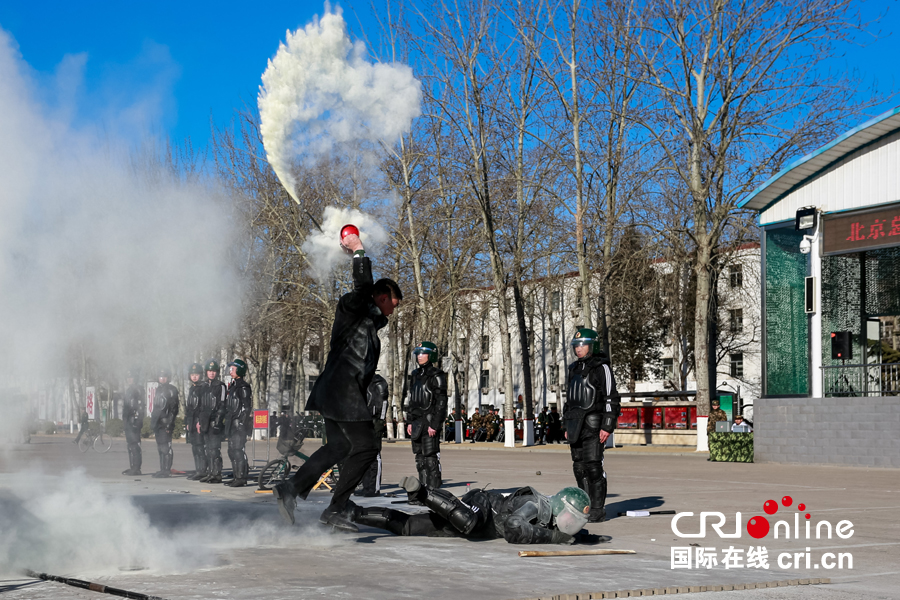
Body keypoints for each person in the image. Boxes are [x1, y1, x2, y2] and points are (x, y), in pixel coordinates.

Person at [273, 231, 402, 532]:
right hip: (341, 390)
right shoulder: (353, 305)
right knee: (367, 447)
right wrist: (358, 252)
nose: (392, 311)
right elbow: (364, 286)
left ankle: (291, 489)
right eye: (392, 304)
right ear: (382, 297)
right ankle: (336, 508)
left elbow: (374, 317)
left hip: (338, 390)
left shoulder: (368, 321)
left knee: (339, 447)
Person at [349, 475, 602, 545]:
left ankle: (350, 513)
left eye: (576, 521)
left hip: (477, 528)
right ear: (559, 506)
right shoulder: (535, 504)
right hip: (483, 507)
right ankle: (422, 493)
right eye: (572, 517)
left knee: (407, 527)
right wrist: (555, 539)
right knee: (468, 521)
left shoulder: (554, 520)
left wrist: (580, 536)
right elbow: (514, 529)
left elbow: (564, 531)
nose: (571, 523)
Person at [563, 328, 621, 523]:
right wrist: (566, 425)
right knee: (578, 467)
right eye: (576, 346)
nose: (579, 349)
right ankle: (584, 506)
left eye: (583, 345)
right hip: (575, 425)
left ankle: (597, 509)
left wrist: (607, 426)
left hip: (594, 425)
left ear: (592, 346)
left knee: (593, 466)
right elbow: (569, 400)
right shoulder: (573, 369)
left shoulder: (601, 367)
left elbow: (611, 398)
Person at [405, 341, 448, 493]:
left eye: (423, 353)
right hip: (417, 422)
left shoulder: (437, 375)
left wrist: (435, 424)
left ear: (431, 355)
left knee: (430, 459)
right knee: (420, 460)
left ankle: (434, 492)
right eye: (418, 353)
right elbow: (412, 400)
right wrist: (409, 421)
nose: (420, 357)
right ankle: (422, 492)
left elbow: (441, 402)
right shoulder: (415, 375)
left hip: (430, 421)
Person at [355, 373, 389, 497]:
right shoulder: (358, 380)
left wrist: (380, 421)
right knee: (363, 456)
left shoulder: (378, 382)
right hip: (361, 422)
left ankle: (374, 488)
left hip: (374, 422)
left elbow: (384, 404)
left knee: (375, 456)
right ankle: (366, 486)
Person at [224, 359, 253, 487]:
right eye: (230, 369)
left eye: (233, 369)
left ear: (239, 370)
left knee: (237, 450)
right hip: (231, 423)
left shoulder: (243, 387)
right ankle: (236, 476)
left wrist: (242, 422)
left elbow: (247, 408)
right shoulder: (233, 386)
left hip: (239, 424)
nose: (231, 371)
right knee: (231, 450)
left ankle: (241, 478)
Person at [199, 360, 228, 483]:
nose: (211, 373)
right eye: (209, 371)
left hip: (215, 421)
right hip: (205, 421)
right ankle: (210, 472)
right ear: (206, 372)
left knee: (215, 449)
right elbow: (201, 406)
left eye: (214, 371)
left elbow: (222, 404)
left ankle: (217, 474)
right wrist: (199, 421)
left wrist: (217, 421)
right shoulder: (204, 386)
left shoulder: (220, 386)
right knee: (208, 449)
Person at [150, 368, 180, 478]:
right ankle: (162, 469)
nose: (162, 379)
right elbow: (156, 408)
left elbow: (174, 409)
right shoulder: (158, 389)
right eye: (160, 377)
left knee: (166, 447)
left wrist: (169, 423)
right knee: (160, 447)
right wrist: (153, 422)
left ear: (168, 378)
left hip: (165, 423)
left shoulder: (172, 390)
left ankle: (167, 470)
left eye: (164, 377)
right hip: (158, 423)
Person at [184, 363, 207, 480]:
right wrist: (188, 422)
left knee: (200, 447)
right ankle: (198, 470)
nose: (194, 377)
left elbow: (203, 407)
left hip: (198, 421)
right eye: (192, 374)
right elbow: (189, 407)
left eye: (196, 374)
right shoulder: (192, 388)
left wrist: (200, 421)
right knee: (194, 447)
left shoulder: (203, 388)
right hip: (192, 421)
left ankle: (203, 470)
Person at [121, 369, 145, 475]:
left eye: (131, 377)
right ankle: (132, 467)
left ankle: (136, 468)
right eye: (128, 377)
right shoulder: (129, 390)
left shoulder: (138, 389)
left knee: (135, 445)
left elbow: (140, 406)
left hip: (134, 421)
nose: (129, 379)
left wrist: (137, 420)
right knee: (130, 445)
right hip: (128, 421)